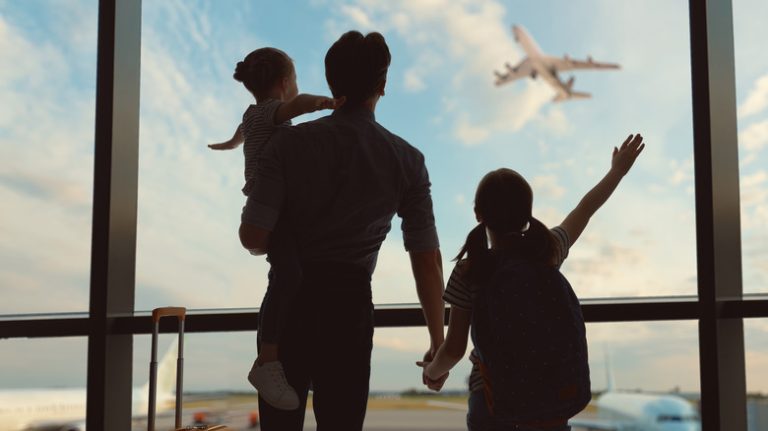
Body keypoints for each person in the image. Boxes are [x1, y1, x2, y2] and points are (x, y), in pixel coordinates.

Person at [238, 31, 446, 430]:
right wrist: (438, 343)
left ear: (331, 81)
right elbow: (426, 259)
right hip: (349, 310)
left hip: (288, 308)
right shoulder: (408, 161)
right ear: (383, 86)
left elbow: (254, 237)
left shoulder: (286, 145)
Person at [418, 134, 646, 431]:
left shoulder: (470, 270)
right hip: (552, 399)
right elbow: (584, 210)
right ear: (527, 213)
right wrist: (617, 171)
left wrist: (433, 372)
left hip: (494, 401)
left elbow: (454, 349)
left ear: (478, 214)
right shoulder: (547, 251)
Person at [209, 47, 343, 410]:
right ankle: (267, 361)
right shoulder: (272, 112)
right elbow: (296, 107)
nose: (297, 89)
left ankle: (291, 355)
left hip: (266, 207)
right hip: (273, 210)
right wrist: (331, 103)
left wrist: (230, 144)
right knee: (287, 277)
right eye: (296, 82)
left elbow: (240, 133)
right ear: (285, 84)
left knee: (291, 275)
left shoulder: (252, 114)